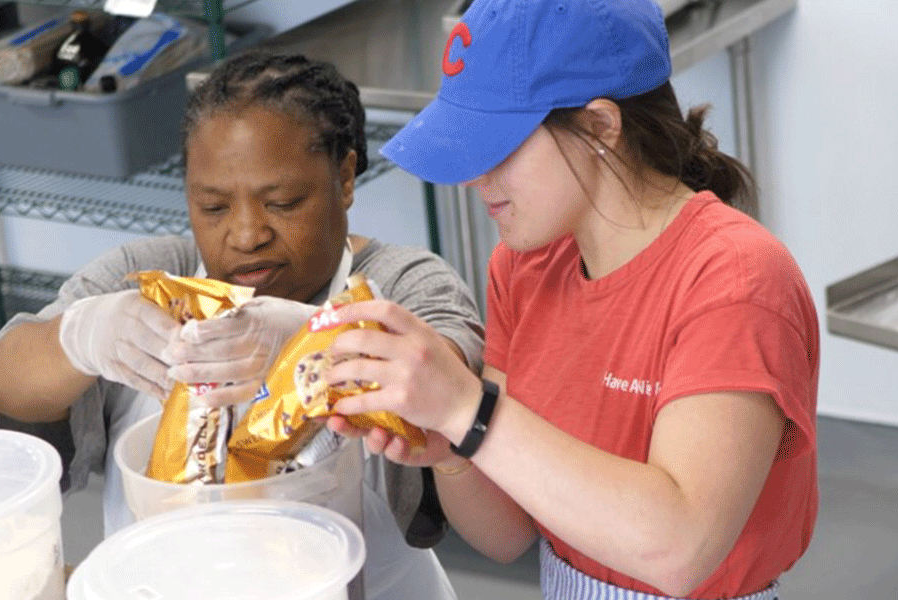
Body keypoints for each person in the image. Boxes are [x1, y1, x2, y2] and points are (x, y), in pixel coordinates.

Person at [316, 1, 820, 599]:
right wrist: (452, 450)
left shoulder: (735, 279)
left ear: (602, 126)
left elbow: (680, 549)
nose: (476, 176)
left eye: (499, 144)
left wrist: (467, 409)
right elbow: (507, 537)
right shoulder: (526, 266)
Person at [0, 50, 482, 600]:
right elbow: (9, 380)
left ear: (343, 179)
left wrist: (310, 340)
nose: (246, 235)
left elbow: (453, 385)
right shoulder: (147, 279)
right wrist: (79, 338)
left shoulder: (402, 280)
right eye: (214, 208)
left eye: (283, 202)